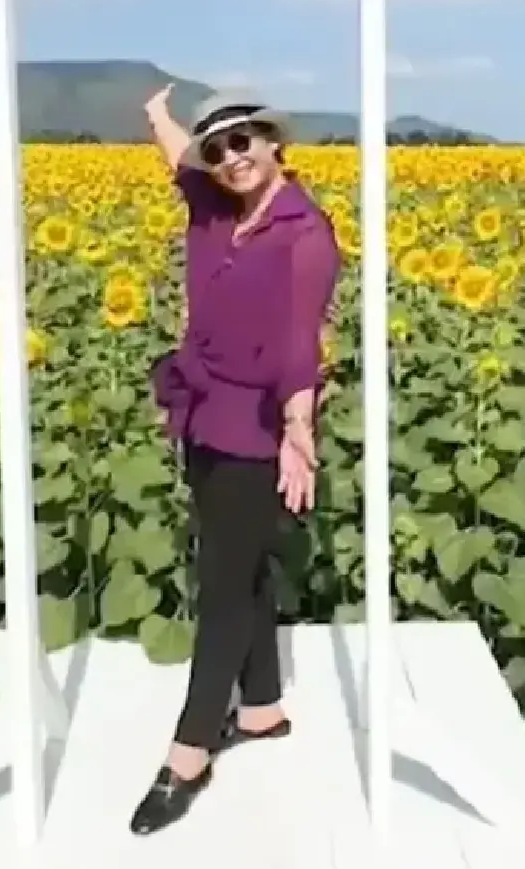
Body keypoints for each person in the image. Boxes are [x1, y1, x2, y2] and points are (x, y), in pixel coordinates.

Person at [128, 83, 342, 836]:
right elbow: (180, 163)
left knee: (220, 584)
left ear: (274, 141)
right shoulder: (215, 206)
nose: (231, 157)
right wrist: (159, 117)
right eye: (218, 148)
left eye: (244, 140)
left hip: (259, 420)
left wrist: (298, 428)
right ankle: (261, 706)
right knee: (237, 559)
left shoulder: (303, 233)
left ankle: (189, 750)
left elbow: (299, 342)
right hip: (205, 406)